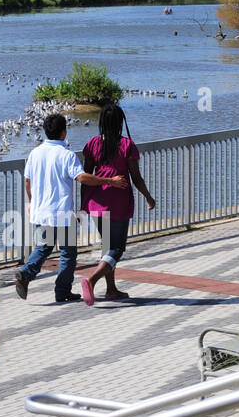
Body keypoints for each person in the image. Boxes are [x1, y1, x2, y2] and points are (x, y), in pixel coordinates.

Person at [15, 113, 127, 305]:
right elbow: (82, 177)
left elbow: (28, 181)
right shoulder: (66, 155)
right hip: (61, 212)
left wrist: (33, 202)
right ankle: (62, 291)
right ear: (64, 132)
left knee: (43, 247)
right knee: (68, 253)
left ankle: (26, 273)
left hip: (41, 212)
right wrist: (110, 181)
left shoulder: (35, 153)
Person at [79, 104, 155, 306]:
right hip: (118, 202)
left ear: (101, 122)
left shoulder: (92, 144)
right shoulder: (126, 145)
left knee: (107, 248)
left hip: (96, 201)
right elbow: (136, 178)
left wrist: (83, 203)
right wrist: (148, 197)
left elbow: (87, 177)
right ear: (120, 122)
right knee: (117, 249)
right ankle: (91, 280)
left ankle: (111, 290)